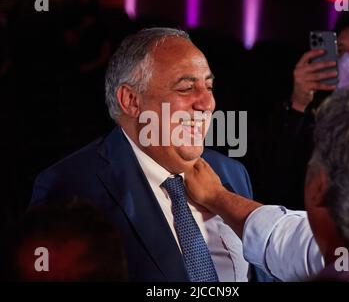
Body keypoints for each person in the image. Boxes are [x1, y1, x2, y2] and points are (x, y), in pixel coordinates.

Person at [31, 28, 280, 282]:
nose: (207, 103)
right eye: (185, 88)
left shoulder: (232, 173)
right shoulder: (70, 186)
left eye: (209, 86)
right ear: (131, 100)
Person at [185, 80, 349, 281]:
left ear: (319, 187)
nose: (206, 103)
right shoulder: (345, 255)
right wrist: (217, 196)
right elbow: (282, 236)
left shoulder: (339, 260)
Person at [258, 13, 349, 209]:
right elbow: (274, 178)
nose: (347, 59)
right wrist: (298, 103)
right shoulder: (312, 115)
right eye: (339, 50)